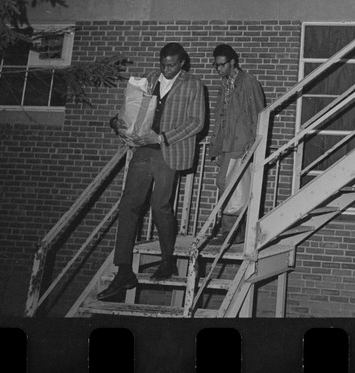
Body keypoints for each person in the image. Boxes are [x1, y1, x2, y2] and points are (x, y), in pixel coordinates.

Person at [98, 42, 206, 300]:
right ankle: (124, 272)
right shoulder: (148, 78)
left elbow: (197, 122)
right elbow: (135, 107)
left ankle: (167, 260)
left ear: (182, 63)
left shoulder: (193, 84)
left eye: (171, 65)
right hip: (142, 150)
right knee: (128, 206)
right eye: (162, 64)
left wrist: (162, 137)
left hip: (167, 150)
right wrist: (118, 120)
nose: (165, 70)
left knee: (160, 206)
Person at [207, 44, 266, 243]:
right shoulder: (225, 85)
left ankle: (230, 232)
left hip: (240, 143)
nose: (218, 69)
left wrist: (252, 144)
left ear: (233, 63)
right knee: (233, 186)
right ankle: (235, 230)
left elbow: (259, 114)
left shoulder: (248, 83)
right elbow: (220, 117)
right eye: (216, 66)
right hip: (226, 143)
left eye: (222, 65)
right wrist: (216, 146)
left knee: (225, 182)